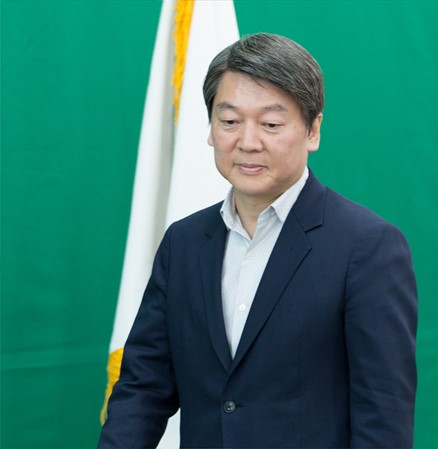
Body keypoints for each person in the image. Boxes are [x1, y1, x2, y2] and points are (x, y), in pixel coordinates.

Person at [99, 33, 418, 448]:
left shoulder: (368, 246)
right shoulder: (184, 243)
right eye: (229, 121)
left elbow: (383, 414)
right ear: (211, 129)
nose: (247, 143)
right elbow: (143, 388)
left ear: (313, 130)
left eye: (271, 124)